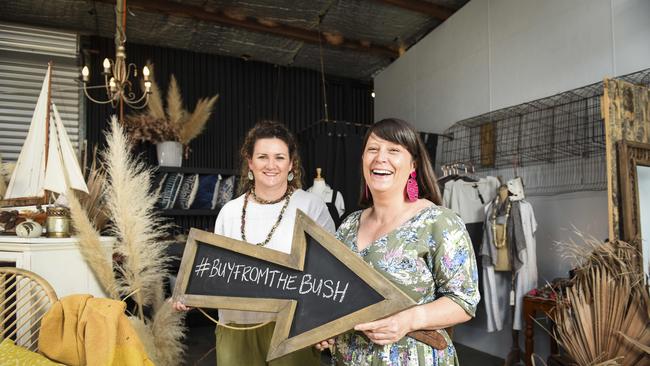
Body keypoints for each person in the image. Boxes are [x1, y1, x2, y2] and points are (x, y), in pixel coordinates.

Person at [316, 118, 480, 365]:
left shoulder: (438, 222)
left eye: (393, 150)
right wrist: (324, 327)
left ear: (413, 165)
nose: (380, 157)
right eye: (372, 149)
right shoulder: (349, 225)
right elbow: (336, 293)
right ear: (362, 160)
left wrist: (408, 320)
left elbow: (464, 302)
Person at [174, 120, 335, 366]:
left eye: (279, 157)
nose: (271, 165)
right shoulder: (230, 211)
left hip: (293, 329)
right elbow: (215, 271)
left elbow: (329, 270)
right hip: (236, 329)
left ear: (291, 163)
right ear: (250, 162)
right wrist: (191, 292)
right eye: (262, 157)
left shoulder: (311, 206)